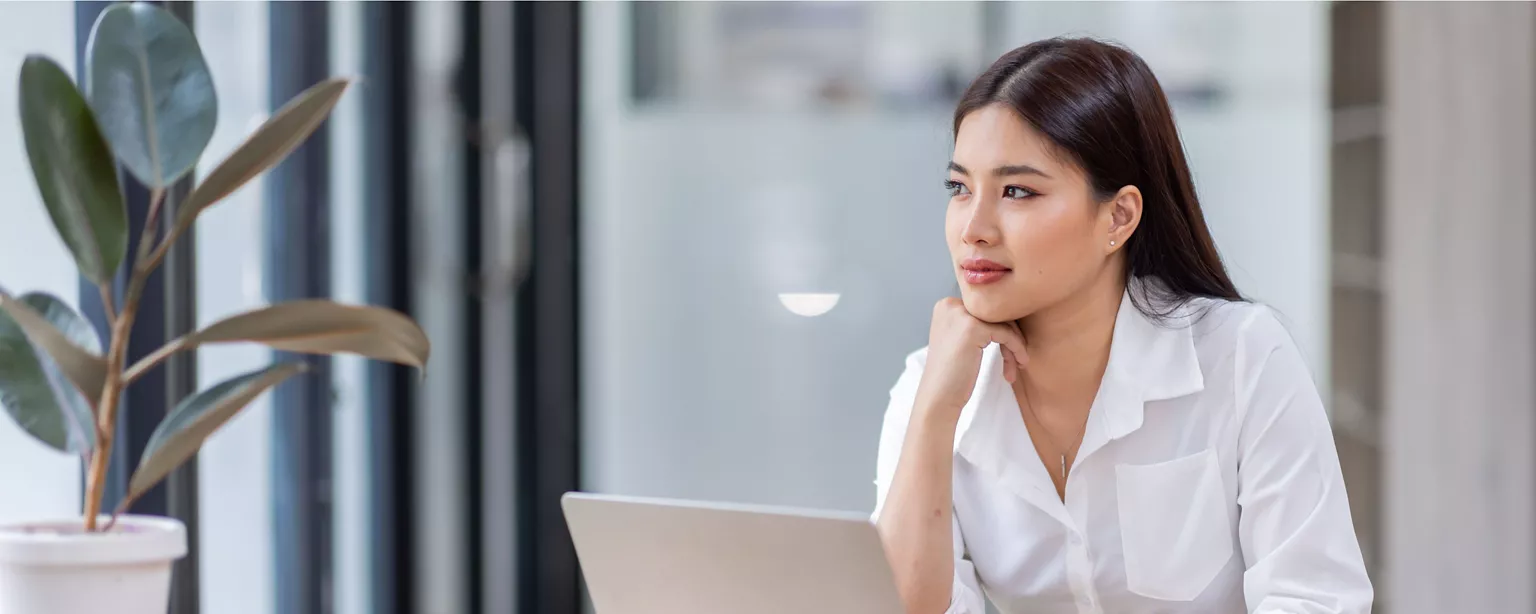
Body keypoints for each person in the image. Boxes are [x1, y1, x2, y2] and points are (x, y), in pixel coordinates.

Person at [871, 37, 1372, 614]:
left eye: (1017, 191)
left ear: (1119, 216)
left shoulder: (1238, 356)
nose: (973, 228)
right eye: (959, 188)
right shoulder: (931, 385)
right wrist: (934, 411)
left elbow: (1314, 598)